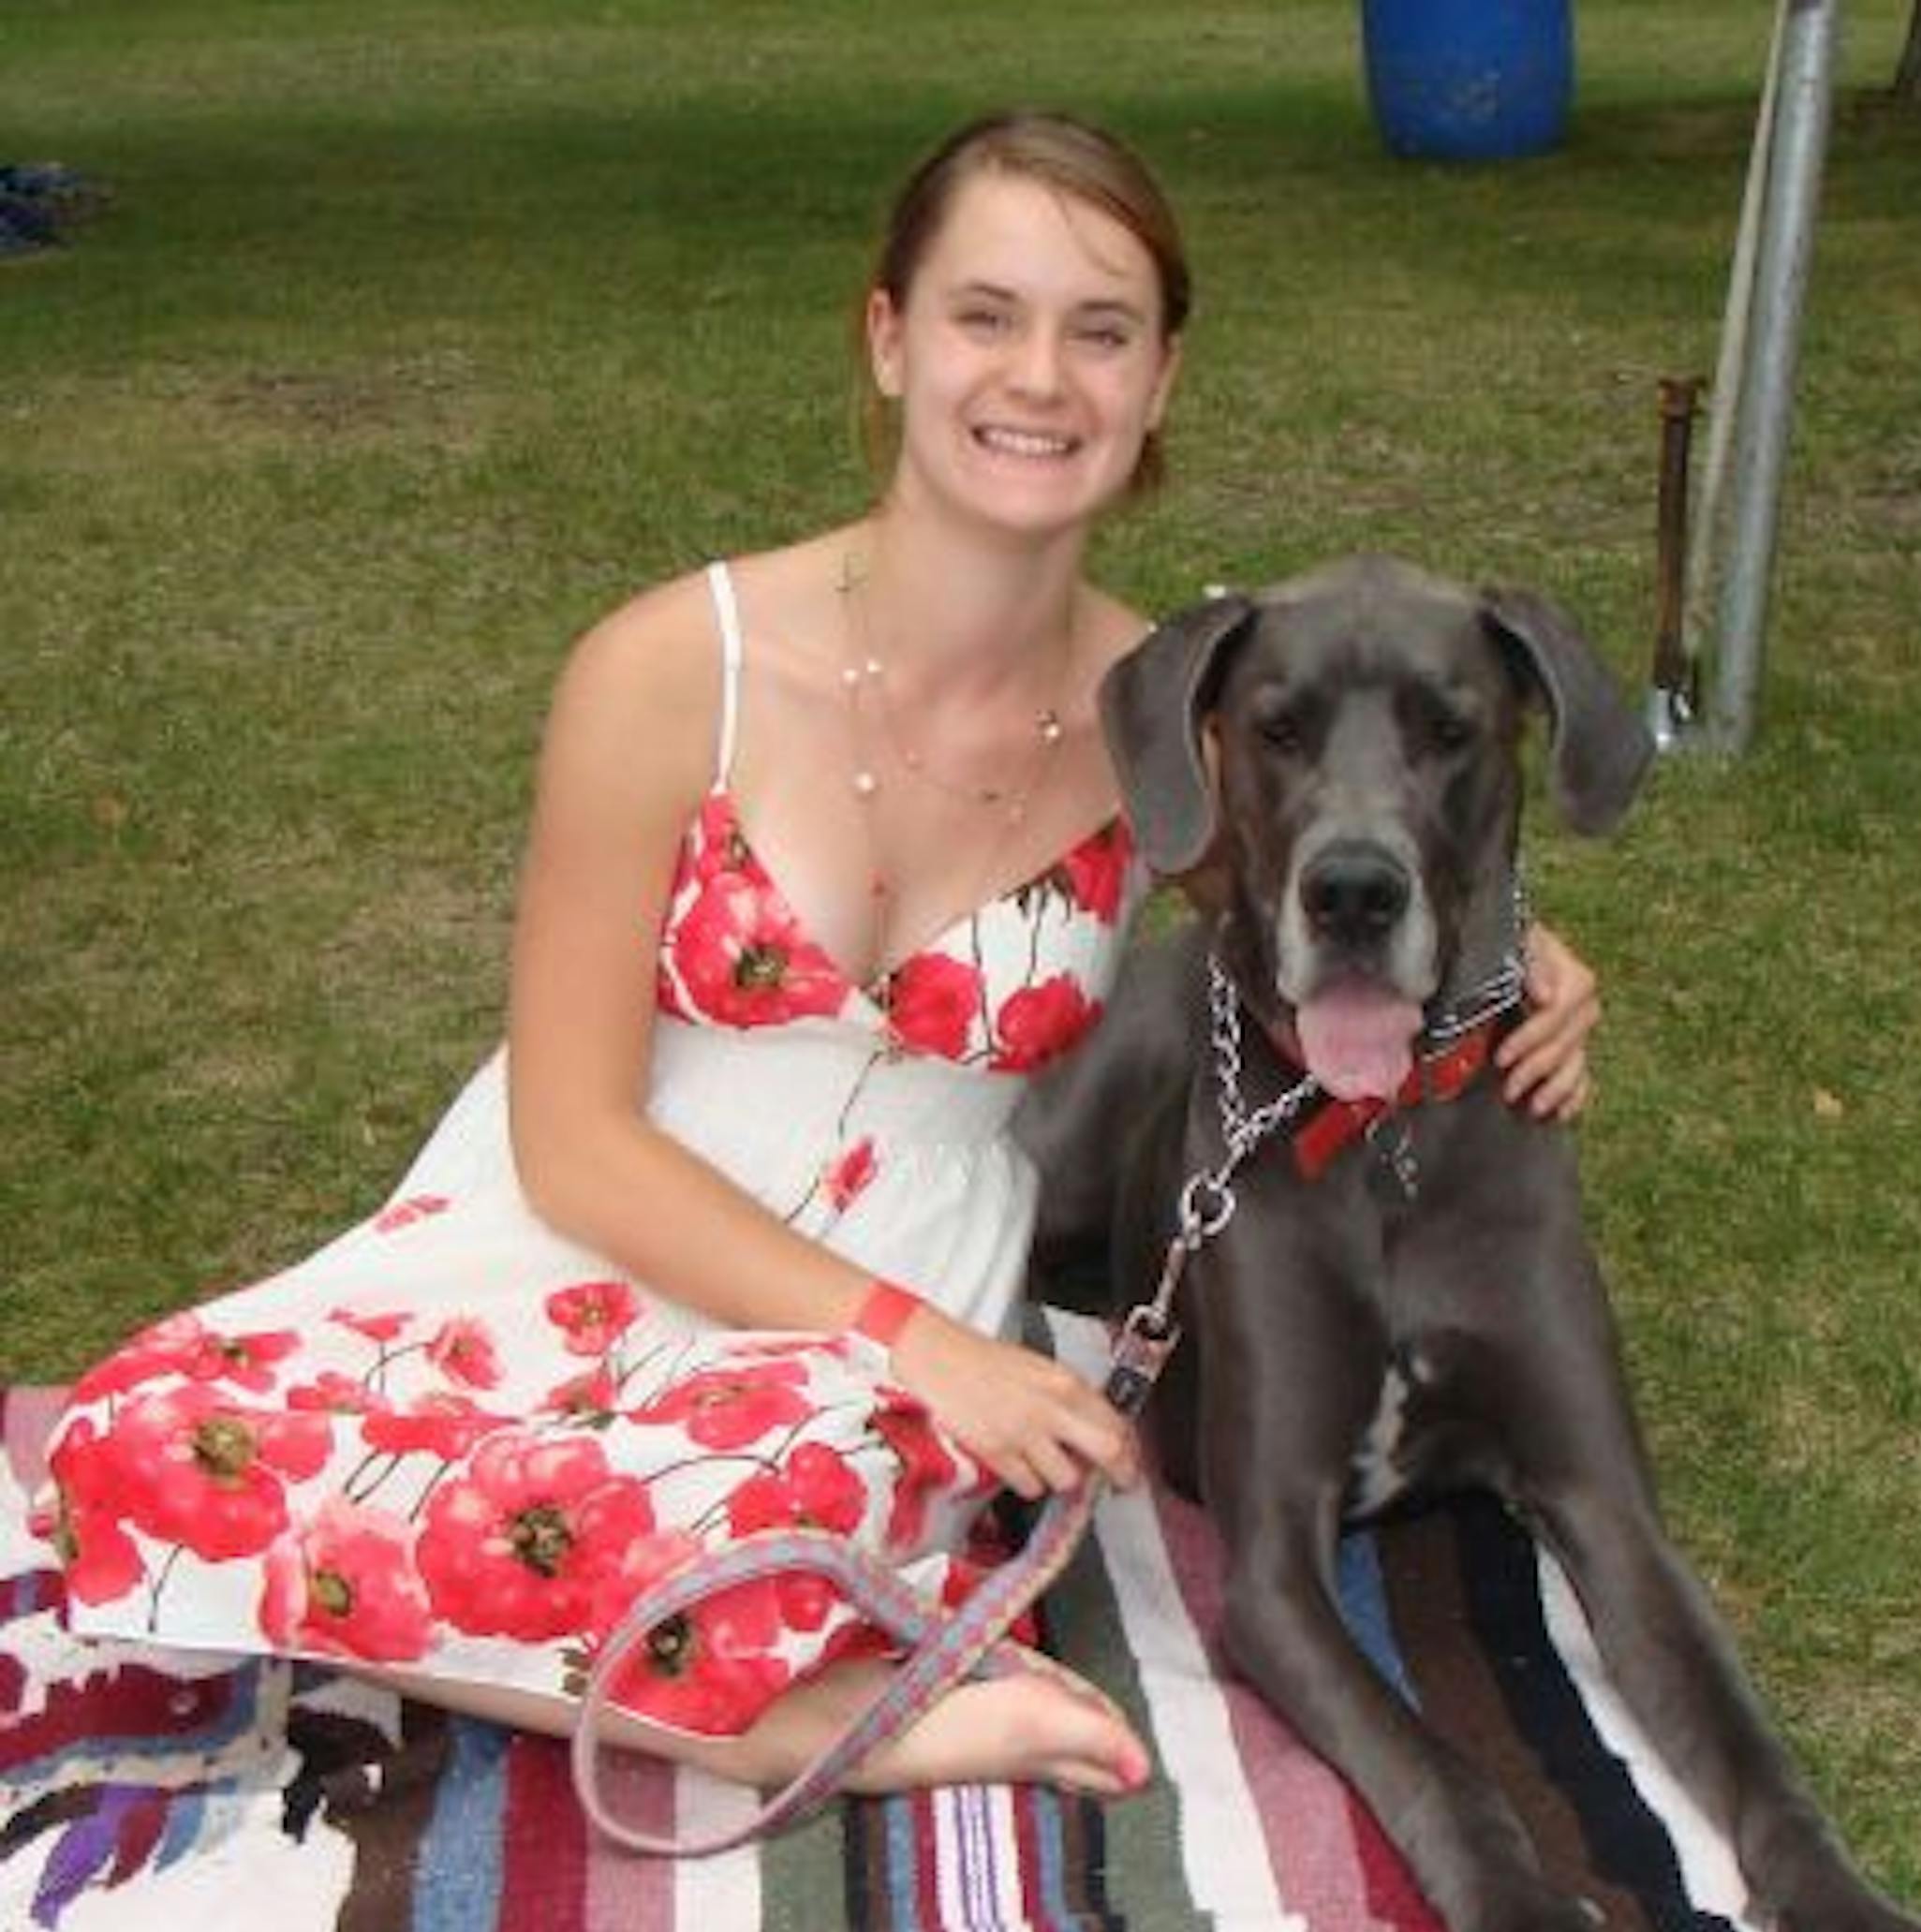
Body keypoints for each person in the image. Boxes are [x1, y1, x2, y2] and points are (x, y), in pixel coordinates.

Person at [44, 112, 1601, 1812]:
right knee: (125, 1445)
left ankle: (751, 1656)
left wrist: (1536, 960)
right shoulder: (665, 667)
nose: (1042, 377)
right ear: (889, 338)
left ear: (1160, 381)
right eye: (984, 314)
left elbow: (1366, 865)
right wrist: (926, 1350)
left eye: (1102, 331)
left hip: (895, 1290)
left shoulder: (1176, 719)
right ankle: (817, 1725)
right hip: (591, 1218)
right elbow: (570, 1138)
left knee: (730, 1545)